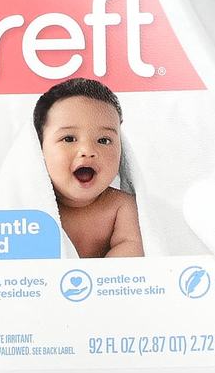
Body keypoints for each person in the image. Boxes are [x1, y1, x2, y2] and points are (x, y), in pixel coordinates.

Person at [33, 78, 144, 258]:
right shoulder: (35, 208)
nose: (88, 151)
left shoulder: (121, 206)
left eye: (103, 140)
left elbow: (132, 246)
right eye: (69, 139)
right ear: (39, 149)